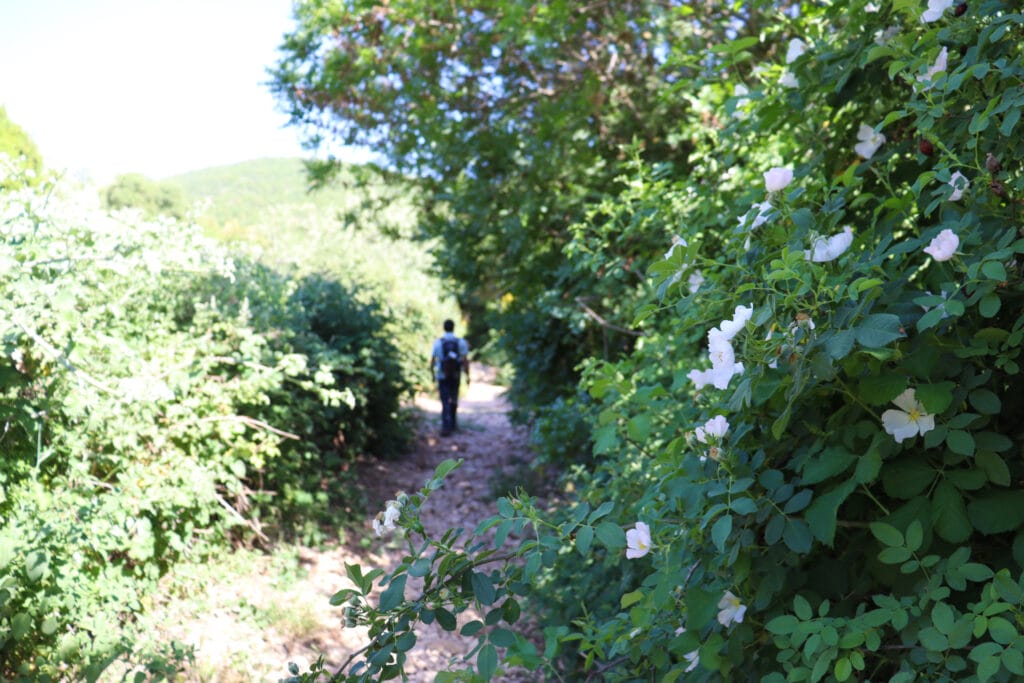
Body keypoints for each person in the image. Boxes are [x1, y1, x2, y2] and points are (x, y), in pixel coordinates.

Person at [430, 319, 469, 436]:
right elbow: (465, 360)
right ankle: (453, 424)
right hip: (456, 375)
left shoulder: (438, 343)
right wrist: (468, 375)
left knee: (444, 400)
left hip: (442, 375)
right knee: (454, 398)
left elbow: (432, 360)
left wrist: (432, 375)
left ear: (444, 328)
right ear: (454, 327)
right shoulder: (460, 342)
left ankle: (445, 426)